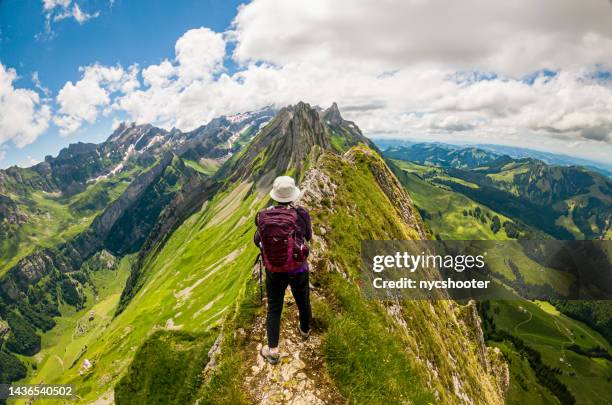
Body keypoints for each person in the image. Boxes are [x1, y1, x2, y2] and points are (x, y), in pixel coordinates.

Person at [254, 176, 312, 365]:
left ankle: (273, 352)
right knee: (303, 301)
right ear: (292, 195)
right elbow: (308, 236)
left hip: (274, 270)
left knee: (274, 308)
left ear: (276, 195)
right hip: (297, 268)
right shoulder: (301, 214)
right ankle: (304, 331)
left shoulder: (263, 216)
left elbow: (257, 240)